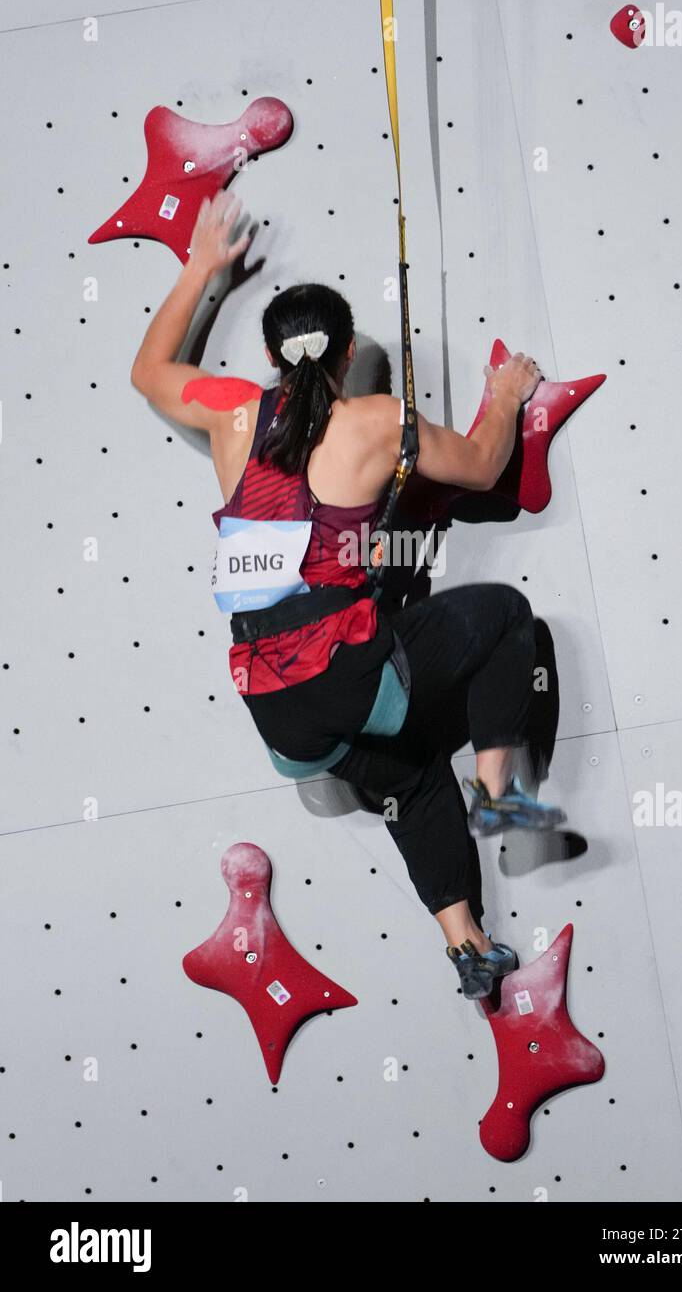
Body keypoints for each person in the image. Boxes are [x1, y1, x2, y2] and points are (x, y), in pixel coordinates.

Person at [131, 191, 565, 1001]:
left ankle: (466, 945)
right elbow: (480, 464)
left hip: (278, 714)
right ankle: (502, 796)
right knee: (505, 613)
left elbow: (147, 373)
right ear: (346, 355)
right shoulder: (372, 420)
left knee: (412, 778)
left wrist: (201, 266)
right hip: (353, 672)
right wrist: (506, 393)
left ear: (270, 356)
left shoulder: (233, 418)